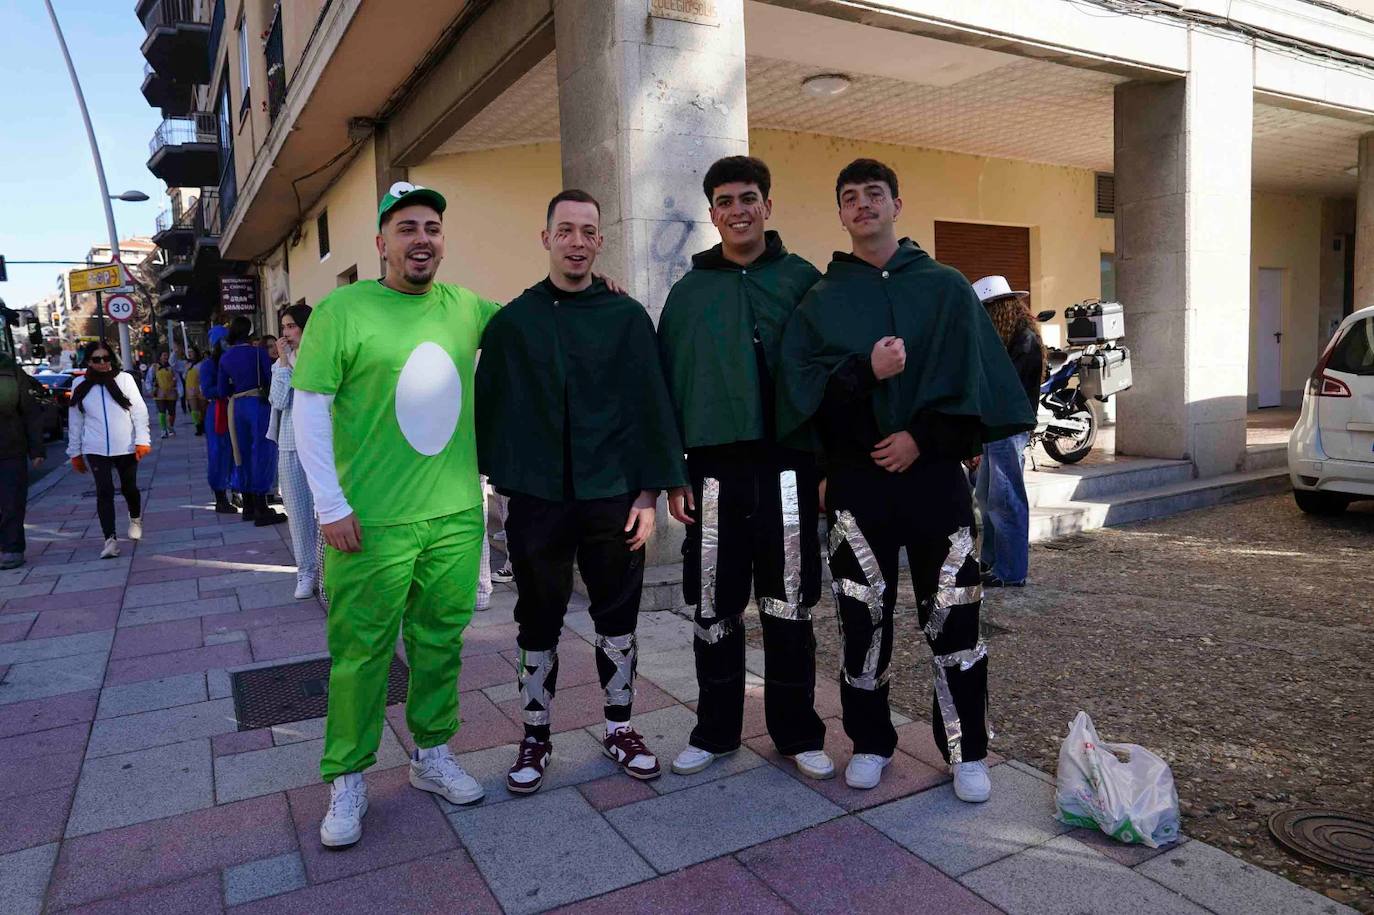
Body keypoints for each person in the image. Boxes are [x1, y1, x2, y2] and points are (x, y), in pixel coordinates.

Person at [776, 159, 1034, 799]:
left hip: (935, 479)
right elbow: (802, 394)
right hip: (858, 482)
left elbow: (978, 387)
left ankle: (967, 751)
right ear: (841, 212)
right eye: (850, 197)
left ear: (896, 203)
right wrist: (864, 371)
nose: (862, 205)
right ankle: (870, 741)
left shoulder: (946, 288)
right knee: (860, 613)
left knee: (955, 612)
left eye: (874, 194)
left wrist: (924, 438)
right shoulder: (822, 299)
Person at [292, 181, 497, 847]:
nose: (422, 239)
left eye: (432, 227)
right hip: (370, 522)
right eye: (407, 228)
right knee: (361, 654)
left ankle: (431, 753)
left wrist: (591, 286)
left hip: (453, 516)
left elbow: (539, 322)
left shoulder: (465, 306)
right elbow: (310, 408)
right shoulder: (342, 310)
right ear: (382, 242)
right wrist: (329, 504)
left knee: (440, 644)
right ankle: (348, 775)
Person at [476, 189, 687, 794]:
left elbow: (652, 404)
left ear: (600, 240)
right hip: (537, 499)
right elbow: (489, 406)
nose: (576, 242)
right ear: (546, 238)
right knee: (535, 618)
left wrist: (649, 493)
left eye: (588, 232)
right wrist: (502, 485)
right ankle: (535, 735)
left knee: (617, 615)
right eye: (565, 230)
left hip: (615, 497)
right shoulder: (513, 323)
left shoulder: (626, 317)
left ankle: (620, 727)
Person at [657, 156, 833, 780]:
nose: (738, 210)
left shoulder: (803, 281)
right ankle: (714, 732)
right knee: (713, 605)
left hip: (788, 469)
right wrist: (671, 473)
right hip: (713, 475)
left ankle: (798, 732)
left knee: (790, 603)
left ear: (767, 205)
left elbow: (830, 379)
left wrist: (826, 467)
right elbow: (665, 388)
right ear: (712, 213)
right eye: (726, 201)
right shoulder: (689, 294)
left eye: (748, 198)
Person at [971, 276, 1047, 589]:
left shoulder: (1023, 340)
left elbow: (1003, 389)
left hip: (1008, 427)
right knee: (987, 496)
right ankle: (991, 561)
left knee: (1005, 499)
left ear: (995, 308)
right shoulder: (1011, 337)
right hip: (997, 427)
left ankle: (1011, 571)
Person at [66, 342, 151, 559]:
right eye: (97, 359)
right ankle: (110, 539)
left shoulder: (124, 380)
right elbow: (75, 420)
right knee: (104, 490)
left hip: (125, 444)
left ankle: (135, 518)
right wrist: (75, 452)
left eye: (106, 358)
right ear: (88, 361)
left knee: (129, 487)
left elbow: (139, 411)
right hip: (95, 448)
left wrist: (142, 440)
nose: (103, 363)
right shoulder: (79, 384)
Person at [266, 305, 320, 599]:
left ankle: (329, 571)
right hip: (290, 442)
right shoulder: (281, 364)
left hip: (322, 442)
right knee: (298, 512)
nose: (286, 333)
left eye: (291, 326)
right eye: (283, 327)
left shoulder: (321, 357)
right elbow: (278, 400)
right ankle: (306, 572)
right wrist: (284, 361)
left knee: (325, 510)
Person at [217, 317, 286, 527]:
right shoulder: (258, 353)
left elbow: (222, 389)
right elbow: (269, 379)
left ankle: (247, 505)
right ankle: (261, 506)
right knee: (263, 451)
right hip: (258, 404)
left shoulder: (226, 357)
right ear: (250, 331)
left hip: (237, 407)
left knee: (241, 453)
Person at [0, 348, 45, 570]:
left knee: (12, 502)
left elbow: (30, 412)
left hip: (10, 448)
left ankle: (12, 548)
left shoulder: (10, 370)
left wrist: (37, 449)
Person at [200, 329, 237, 513]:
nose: (227, 344)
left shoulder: (234, 359)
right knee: (219, 453)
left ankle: (237, 491)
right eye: (223, 340)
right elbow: (207, 390)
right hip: (219, 412)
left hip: (235, 408)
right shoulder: (208, 365)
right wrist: (227, 387)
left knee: (237, 452)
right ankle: (220, 497)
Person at [153, 352, 181, 439]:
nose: (166, 357)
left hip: (171, 392)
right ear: (160, 357)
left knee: (172, 412)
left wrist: (179, 389)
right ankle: (163, 430)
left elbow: (177, 379)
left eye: (167, 355)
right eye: (164, 355)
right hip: (159, 392)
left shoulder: (171, 367)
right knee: (162, 411)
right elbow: (149, 378)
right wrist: (150, 389)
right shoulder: (154, 367)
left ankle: (170, 427)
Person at [185, 345, 206, 436]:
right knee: (194, 409)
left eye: (191, 352)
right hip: (190, 389)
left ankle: (203, 424)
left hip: (200, 388)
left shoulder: (201, 364)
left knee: (202, 409)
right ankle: (198, 426)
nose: (190, 354)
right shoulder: (187, 364)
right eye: (188, 352)